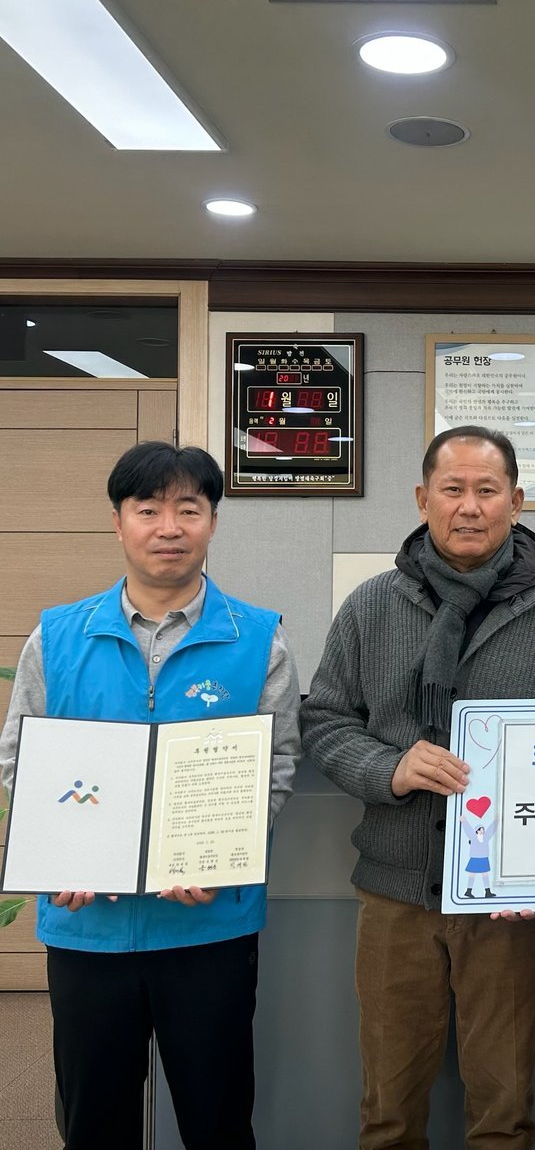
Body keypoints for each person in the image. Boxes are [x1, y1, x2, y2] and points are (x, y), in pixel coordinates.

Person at [301, 425, 535, 1150]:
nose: (470, 506)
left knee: (504, 1110)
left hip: (509, 906)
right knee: (388, 1110)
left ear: (516, 503)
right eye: (453, 489)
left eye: (487, 490)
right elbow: (326, 720)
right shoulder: (371, 606)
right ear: (422, 498)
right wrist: (390, 769)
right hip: (395, 894)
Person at [0, 441, 302, 1150]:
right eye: (148, 510)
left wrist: (220, 856)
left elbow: (275, 766)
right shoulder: (57, 636)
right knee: (94, 1123)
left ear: (213, 522)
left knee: (217, 1121)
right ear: (118, 522)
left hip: (209, 925)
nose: (170, 527)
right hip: (88, 927)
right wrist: (59, 854)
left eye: (188, 509)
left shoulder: (259, 639)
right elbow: (21, 758)